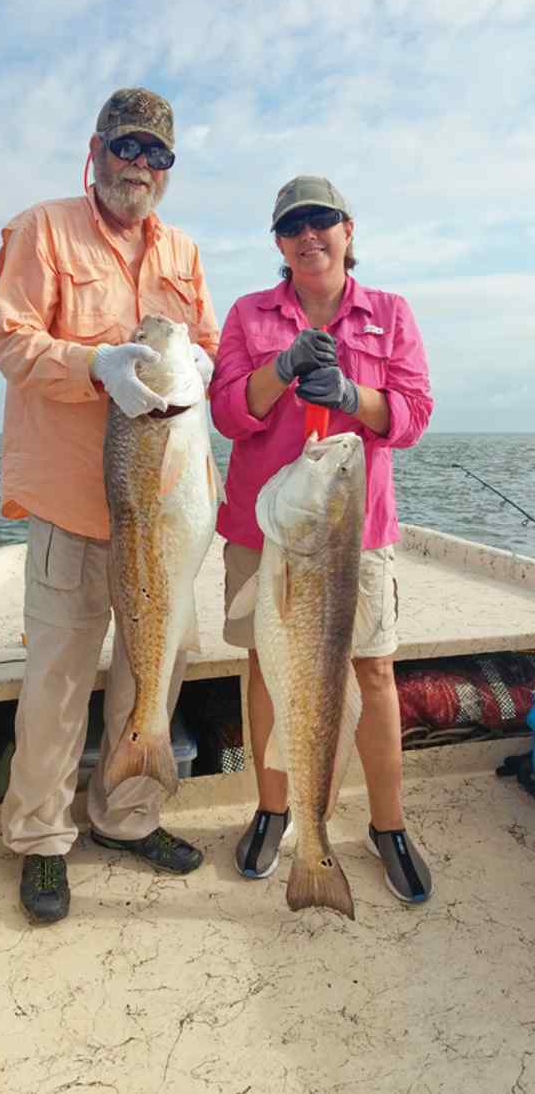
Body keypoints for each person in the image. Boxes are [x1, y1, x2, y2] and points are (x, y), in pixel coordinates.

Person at [0, 87, 219, 924]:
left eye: (157, 154)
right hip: (73, 507)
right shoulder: (42, 230)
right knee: (57, 679)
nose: (140, 166)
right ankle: (42, 839)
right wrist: (94, 366)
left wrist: (205, 360)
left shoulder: (184, 251)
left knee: (156, 666)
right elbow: (10, 339)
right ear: (95, 149)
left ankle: (127, 818)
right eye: (127, 147)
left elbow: (209, 347)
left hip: (169, 519)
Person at [209, 174, 434, 905]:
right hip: (266, 530)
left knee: (374, 673)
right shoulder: (249, 314)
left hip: (354, 534)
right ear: (279, 243)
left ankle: (388, 825)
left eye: (322, 221)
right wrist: (279, 371)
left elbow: (412, 414)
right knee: (266, 666)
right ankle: (275, 811)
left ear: (347, 230)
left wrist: (352, 397)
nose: (309, 235)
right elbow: (228, 413)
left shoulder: (389, 313)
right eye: (293, 225)